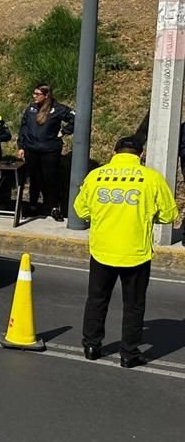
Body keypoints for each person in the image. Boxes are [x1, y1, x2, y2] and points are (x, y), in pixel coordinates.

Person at [73, 136, 178, 369]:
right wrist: (149, 217)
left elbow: (81, 210)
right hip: (135, 253)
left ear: (114, 152)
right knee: (134, 305)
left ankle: (91, 346)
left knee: (97, 299)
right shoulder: (151, 178)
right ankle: (129, 354)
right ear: (140, 155)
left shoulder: (96, 176)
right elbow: (169, 215)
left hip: (102, 250)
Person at [16, 84, 75, 222]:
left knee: (51, 179)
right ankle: (33, 206)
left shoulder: (58, 109)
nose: (34, 96)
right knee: (34, 179)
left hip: (50, 150)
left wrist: (65, 131)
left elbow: (76, 118)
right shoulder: (31, 108)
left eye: (37, 94)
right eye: (34, 93)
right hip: (31, 149)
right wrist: (21, 146)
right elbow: (24, 127)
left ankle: (54, 207)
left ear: (46, 95)